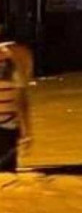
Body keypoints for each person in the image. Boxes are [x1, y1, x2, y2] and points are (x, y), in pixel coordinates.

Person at [0, 41, 33, 173]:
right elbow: (21, 98)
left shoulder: (18, 55)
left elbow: (21, 98)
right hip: (9, 125)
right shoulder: (21, 54)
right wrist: (27, 132)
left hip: (8, 126)